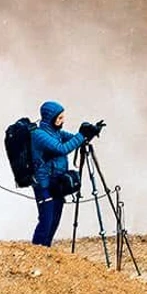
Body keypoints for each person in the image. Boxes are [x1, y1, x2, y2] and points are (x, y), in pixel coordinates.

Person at [29, 101, 103, 247]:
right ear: (50, 118)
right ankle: (36, 251)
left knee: (55, 219)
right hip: (44, 184)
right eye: (60, 118)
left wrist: (90, 133)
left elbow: (76, 140)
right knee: (46, 220)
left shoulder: (56, 133)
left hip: (56, 183)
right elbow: (61, 149)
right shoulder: (39, 135)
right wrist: (82, 135)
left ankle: (46, 249)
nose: (63, 121)